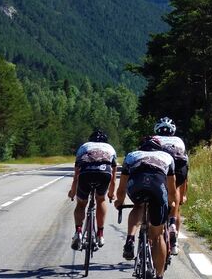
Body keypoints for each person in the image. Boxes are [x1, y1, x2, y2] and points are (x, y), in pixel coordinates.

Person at [114, 136, 177, 279]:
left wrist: (119, 201)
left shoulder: (132, 156)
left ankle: (130, 239)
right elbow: (172, 190)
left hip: (136, 184)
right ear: (158, 148)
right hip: (157, 186)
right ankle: (159, 275)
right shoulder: (167, 157)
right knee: (158, 236)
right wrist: (172, 203)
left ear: (141, 147)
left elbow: (122, 187)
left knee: (138, 205)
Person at [68, 128, 117, 250]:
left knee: (81, 204)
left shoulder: (84, 147)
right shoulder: (110, 148)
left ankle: (78, 231)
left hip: (86, 174)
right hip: (104, 173)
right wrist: (111, 194)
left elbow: (76, 175)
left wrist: (73, 192)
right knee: (101, 200)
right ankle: (100, 234)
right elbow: (113, 178)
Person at [153, 116, 189, 255]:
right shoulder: (178, 140)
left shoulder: (154, 139)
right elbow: (185, 166)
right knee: (177, 196)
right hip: (179, 169)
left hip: (158, 169)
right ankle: (174, 240)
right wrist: (184, 194)